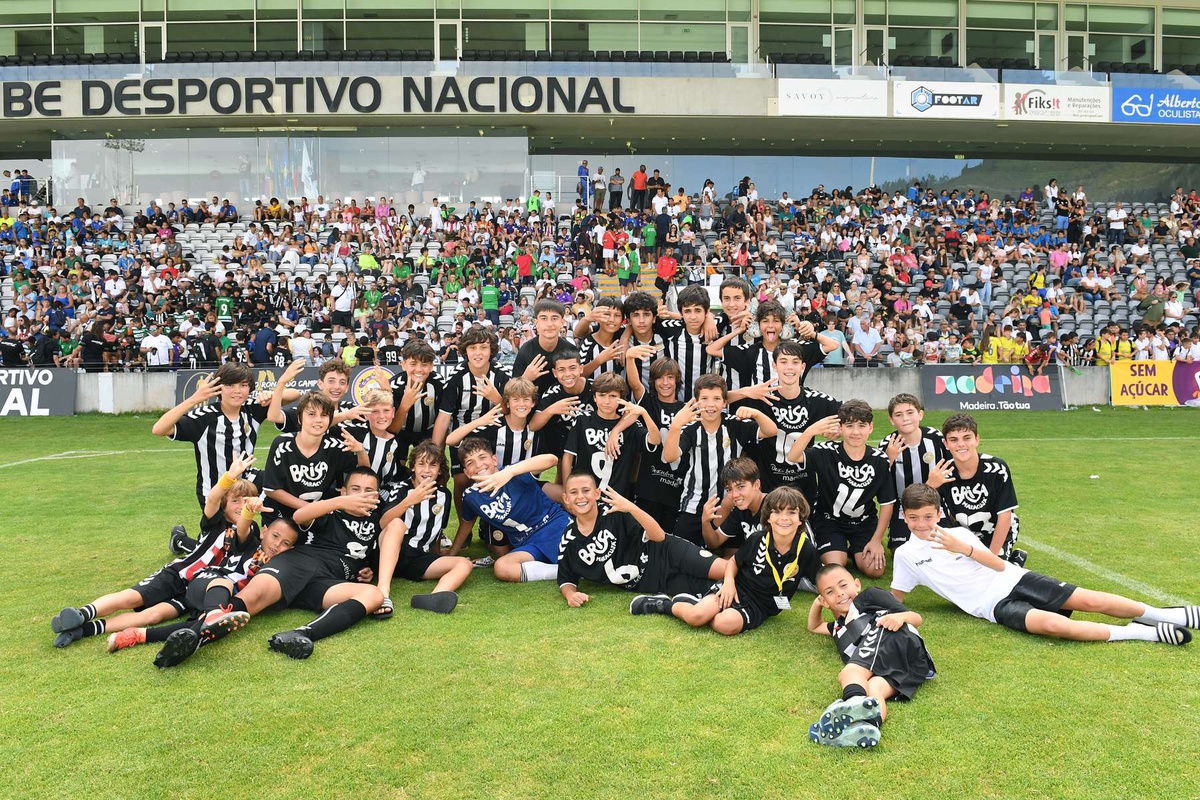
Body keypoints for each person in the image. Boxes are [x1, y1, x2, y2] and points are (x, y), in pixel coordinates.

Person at [891, 484, 1197, 645]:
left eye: (928, 516)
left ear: (938, 512)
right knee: (1054, 626)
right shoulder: (905, 555)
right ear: (904, 516)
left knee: (1089, 599)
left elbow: (998, 566)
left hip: (1012, 579)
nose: (921, 524)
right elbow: (896, 599)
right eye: (914, 518)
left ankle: (1162, 614)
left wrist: (965, 548)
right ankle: (1143, 632)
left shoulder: (957, 533)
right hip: (991, 606)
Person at [154, 466, 392, 667]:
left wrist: (366, 568)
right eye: (355, 490)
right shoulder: (331, 510)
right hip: (297, 564)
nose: (361, 495)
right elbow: (300, 516)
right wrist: (341, 502)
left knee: (373, 595)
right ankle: (192, 637)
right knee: (249, 602)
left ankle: (299, 635)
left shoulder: (377, 519)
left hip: (327, 581)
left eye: (368, 491)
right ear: (344, 491)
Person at [50, 453, 265, 648]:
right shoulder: (214, 521)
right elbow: (212, 498)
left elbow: (244, 530)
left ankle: (81, 631)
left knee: (153, 616)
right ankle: (82, 614)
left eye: (246, 501)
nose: (240, 505)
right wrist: (230, 476)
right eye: (235, 501)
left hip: (196, 587)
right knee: (132, 598)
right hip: (179, 573)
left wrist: (249, 511)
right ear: (225, 505)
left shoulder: (249, 527)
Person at [628, 486, 820, 635]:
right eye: (777, 512)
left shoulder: (806, 549)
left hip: (761, 605)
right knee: (696, 617)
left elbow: (823, 579)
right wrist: (729, 584)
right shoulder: (758, 538)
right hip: (737, 588)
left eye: (791, 513)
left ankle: (697, 602)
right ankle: (663, 605)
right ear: (768, 518)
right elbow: (735, 562)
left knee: (724, 625)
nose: (784, 518)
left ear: (801, 519)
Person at [806, 563, 934, 749]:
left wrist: (901, 617)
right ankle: (866, 727)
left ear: (857, 585)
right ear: (825, 601)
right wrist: (818, 603)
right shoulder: (838, 628)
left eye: (843, 585)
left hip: (894, 637)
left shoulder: (869, 597)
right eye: (830, 592)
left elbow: (916, 617)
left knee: (850, 673)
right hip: (911, 667)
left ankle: (852, 702)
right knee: (874, 688)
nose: (840, 593)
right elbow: (814, 626)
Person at [152, 363, 271, 554]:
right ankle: (180, 540)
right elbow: (159, 429)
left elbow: (294, 396)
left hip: (247, 482)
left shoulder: (251, 409)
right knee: (218, 550)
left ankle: (266, 539)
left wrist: (270, 395)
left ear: (250, 387)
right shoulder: (204, 417)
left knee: (277, 485)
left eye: (243, 385)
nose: (237, 391)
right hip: (215, 491)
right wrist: (194, 399)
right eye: (230, 385)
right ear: (218, 388)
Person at [557, 474, 726, 607]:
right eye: (573, 492)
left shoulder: (614, 512)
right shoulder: (569, 539)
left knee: (724, 570)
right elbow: (566, 578)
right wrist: (571, 595)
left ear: (597, 493)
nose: (580, 497)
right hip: (654, 581)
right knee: (715, 590)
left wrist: (630, 507)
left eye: (586, 490)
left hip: (667, 552)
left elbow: (658, 536)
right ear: (566, 498)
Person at [663, 373, 778, 545]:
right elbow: (669, 456)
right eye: (704, 398)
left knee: (730, 555)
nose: (710, 404)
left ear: (725, 402)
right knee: (682, 555)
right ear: (696, 401)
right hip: (694, 506)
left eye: (717, 398)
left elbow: (771, 431)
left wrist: (756, 414)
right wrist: (675, 426)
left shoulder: (734, 424)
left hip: (733, 505)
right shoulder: (690, 428)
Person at [786, 400, 895, 579]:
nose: (855, 432)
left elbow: (886, 503)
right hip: (829, 522)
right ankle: (842, 549)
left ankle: (855, 550)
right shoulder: (826, 451)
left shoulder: (879, 459)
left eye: (862, 426)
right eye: (849, 425)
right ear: (841, 428)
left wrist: (876, 540)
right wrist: (812, 431)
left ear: (871, 428)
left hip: (863, 523)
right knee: (836, 567)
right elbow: (793, 456)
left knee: (875, 571)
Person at [432, 325, 509, 551]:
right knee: (463, 481)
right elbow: (444, 419)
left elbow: (515, 410)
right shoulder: (456, 379)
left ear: (491, 350)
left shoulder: (502, 375)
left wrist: (497, 398)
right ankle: (465, 531)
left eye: (483, 348)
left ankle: (493, 527)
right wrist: (436, 456)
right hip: (463, 436)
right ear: (465, 351)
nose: (478, 353)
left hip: (495, 435)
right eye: (473, 348)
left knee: (494, 478)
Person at [373, 441, 472, 616]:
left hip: (418, 558)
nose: (426, 470)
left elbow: (436, 532)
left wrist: (439, 556)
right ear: (413, 467)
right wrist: (409, 501)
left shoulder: (443, 495)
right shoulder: (401, 489)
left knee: (464, 563)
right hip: (391, 552)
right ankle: (383, 592)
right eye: (421, 464)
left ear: (439, 470)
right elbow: (383, 523)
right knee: (396, 524)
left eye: (433, 465)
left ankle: (434, 597)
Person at [458, 439, 569, 583]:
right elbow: (466, 524)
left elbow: (552, 459)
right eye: (470, 462)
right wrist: (454, 554)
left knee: (581, 553)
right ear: (467, 473)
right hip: (529, 543)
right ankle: (560, 571)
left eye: (482, 457)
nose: (478, 465)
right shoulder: (471, 496)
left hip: (555, 525)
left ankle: (569, 566)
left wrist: (510, 471)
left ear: (494, 460)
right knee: (502, 567)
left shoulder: (512, 472)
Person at [925, 413, 1026, 567]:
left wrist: (991, 558)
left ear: (977, 439)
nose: (961, 444)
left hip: (996, 532)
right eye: (954, 440)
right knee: (956, 571)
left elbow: (1005, 515)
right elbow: (923, 509)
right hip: (962, 533)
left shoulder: (996, 468)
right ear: (946, 444)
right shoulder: (942, 472)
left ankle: (1013, 561)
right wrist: (930, 486)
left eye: (967, 438)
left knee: (992, 572)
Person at [262, 392, 363, 522]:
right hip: (281, 515)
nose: (318, 420)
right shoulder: (282, 444)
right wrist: (311, 508)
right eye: (311, 414)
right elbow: (271, 489)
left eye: (324, 415)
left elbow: (362, 473)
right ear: (299, 418)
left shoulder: (335, 446)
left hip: (317, 516)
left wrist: (361, 452)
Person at [562, 372, 659, 496]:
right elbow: (568, 457)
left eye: (613, 396)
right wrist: (567, 491)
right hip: (585, 496)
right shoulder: (582, 420)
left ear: (621, 399)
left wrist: (644, 413)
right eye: (602, 395)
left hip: (616, 498)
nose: (607, 401)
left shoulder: (630, 426)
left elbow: (655, 440)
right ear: (594, 397)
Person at [880, 393, 948, 549]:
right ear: (891, 420)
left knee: (941, 547)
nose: (905, 418)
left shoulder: (936, 438)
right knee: (901, 551)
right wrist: (888, 459)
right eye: (898, 414)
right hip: (902, 509)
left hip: (935, 505)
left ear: (920, 414)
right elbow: (878, 482)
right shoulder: (887, 444)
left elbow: (950, 470)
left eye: (910, 412)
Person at [387, 338, 444, 460]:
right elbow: (391, 429)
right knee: (397, 467)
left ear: (431, 366)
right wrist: (405, 404)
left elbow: (443, 418)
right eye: (413, 364)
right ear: (403, 365)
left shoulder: (438, 383)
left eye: (424, 365)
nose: (419, 369)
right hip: (401, 431)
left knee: (432, 463)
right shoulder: (395, 387)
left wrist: (435, 449)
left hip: (428, 430)